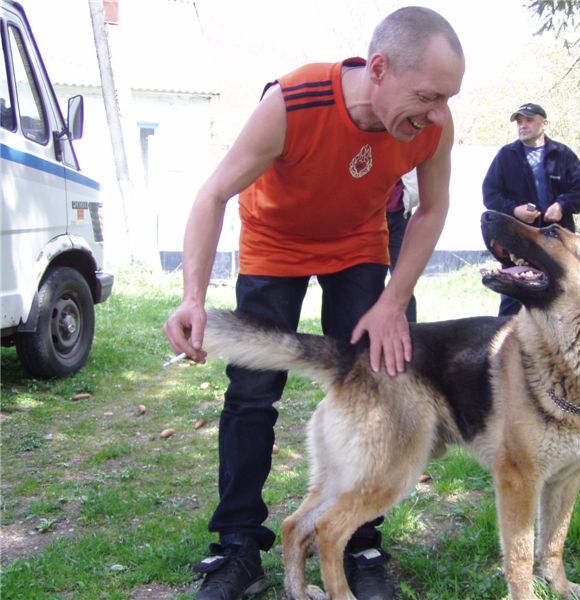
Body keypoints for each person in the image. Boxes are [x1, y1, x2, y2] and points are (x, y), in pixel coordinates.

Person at [162, 6, 464, 600]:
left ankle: (359, 537)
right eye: (429, 95)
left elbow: (432, 210)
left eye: (447, 98)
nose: (438, 113)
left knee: (382, 378)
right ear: (379, 69)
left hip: (358, 244)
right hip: (275, 244)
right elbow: (213, 192)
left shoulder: (433, 126)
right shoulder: (293, 103)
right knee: (252, 393)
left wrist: (393, 301)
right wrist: (192, 297)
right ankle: (237, 546)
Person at [482, 103, 580, 316]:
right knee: (514, 298)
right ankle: (509, 336)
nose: (522, 125)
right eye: (519, 122)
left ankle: (560, 335)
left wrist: (562, 205)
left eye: (529, 120)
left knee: (562, 294)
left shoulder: (562, 154)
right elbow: (490, 194)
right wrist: (514, 211)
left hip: (556, 243)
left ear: (544, 123)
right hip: (518, 241)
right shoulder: (506, 155)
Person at [386, 170, 419, 322]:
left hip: (400, 214)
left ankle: (409, 330)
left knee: (404, 283)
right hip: (369, 216)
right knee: (368, 283)